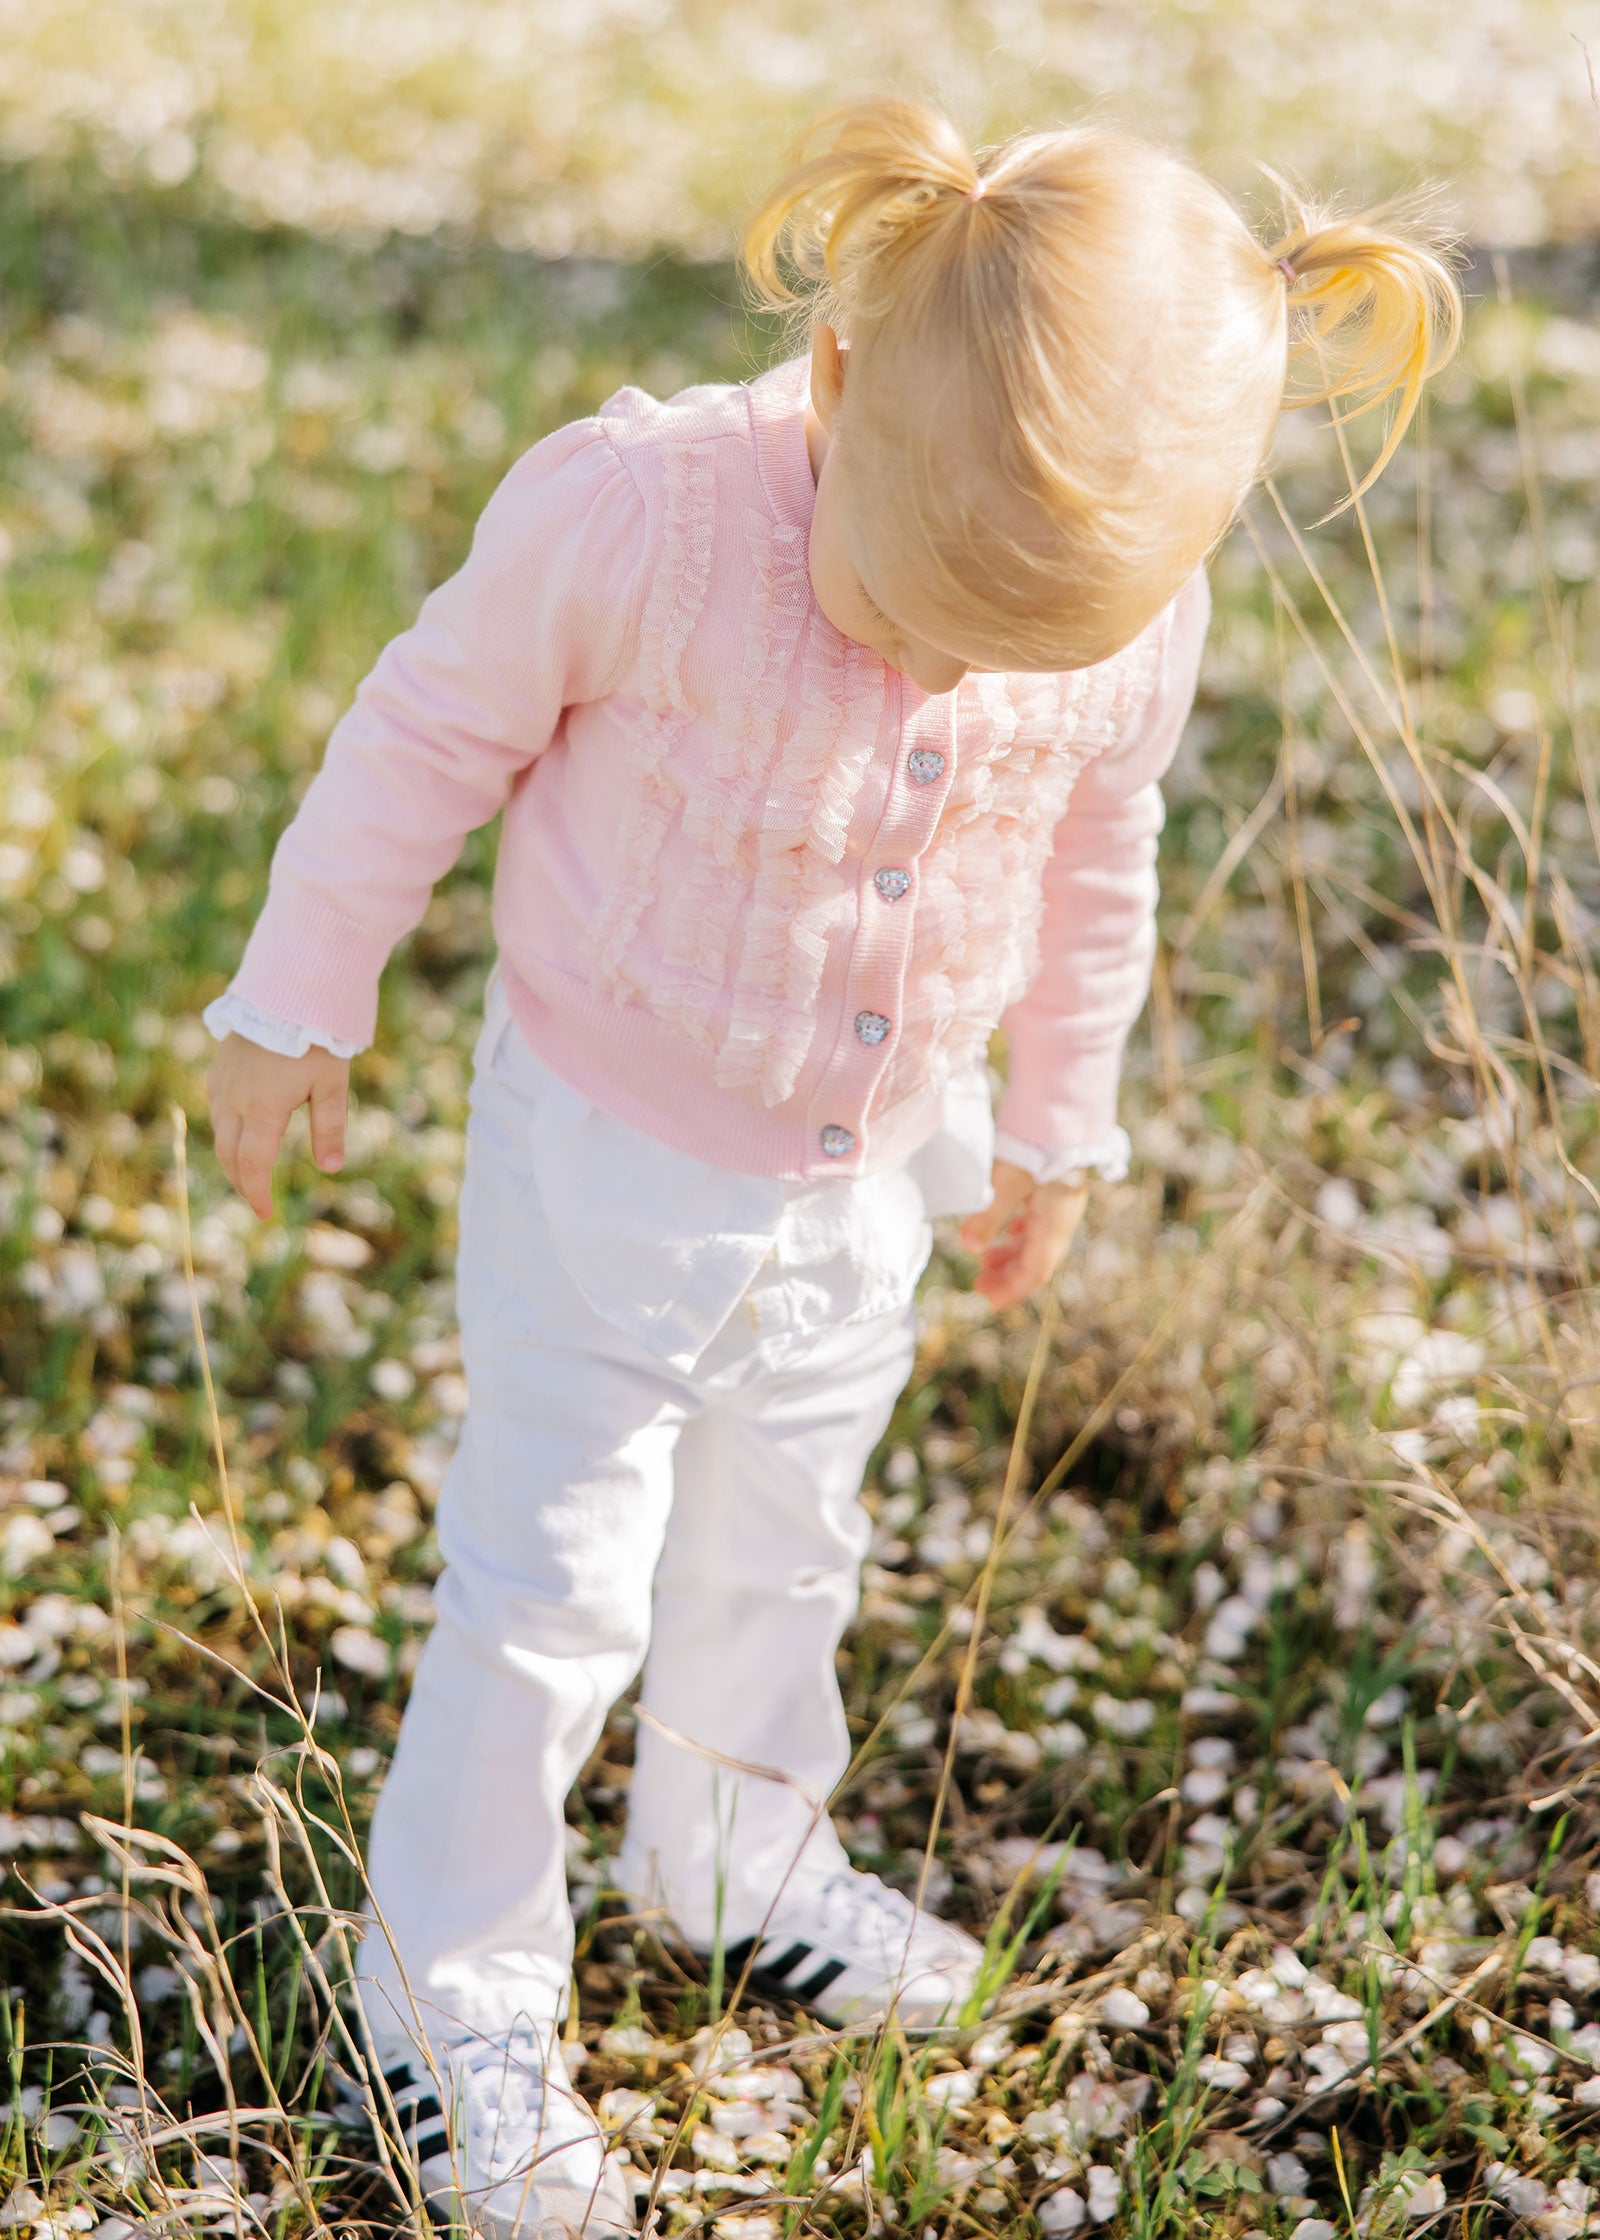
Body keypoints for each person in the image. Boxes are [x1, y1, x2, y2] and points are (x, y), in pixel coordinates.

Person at [204, 96, 1461, 2239]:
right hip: (601, 1141)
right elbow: (427, 724)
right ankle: (445, 1980)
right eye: (909, 599)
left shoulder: (1119, 609)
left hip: (865, 1162)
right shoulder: (647, 519)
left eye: (1018, 644)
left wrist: (1058, 1113)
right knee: (548, 1589)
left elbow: (1093, 856)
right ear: (843, 378)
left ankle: (731, 1842)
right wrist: (295, 992)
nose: (949, 669)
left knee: (793, 1530)